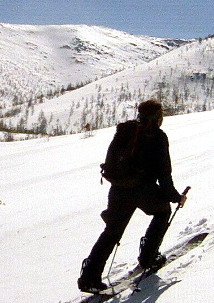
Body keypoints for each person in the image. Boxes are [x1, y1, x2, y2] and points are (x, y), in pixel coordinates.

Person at [78, 99, 185, 292]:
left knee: (112, 231)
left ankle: (89, 277)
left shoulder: (125, 130)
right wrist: (175, 197)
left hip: (118, 188)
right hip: (143, 189)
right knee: (162, 212)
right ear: (158, 117)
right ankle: (148, 257)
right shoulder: (158, 137)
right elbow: (164, 174)